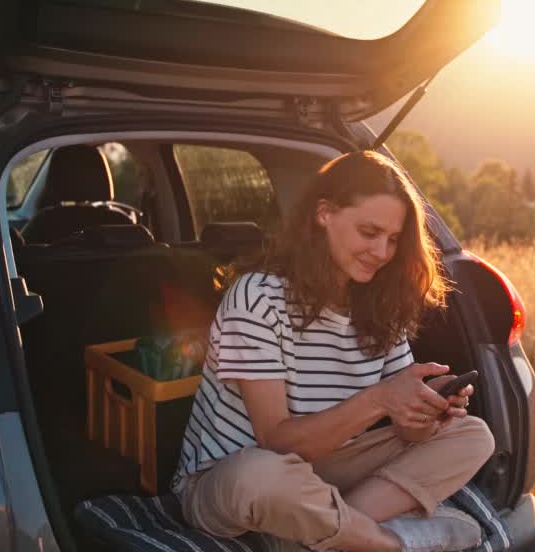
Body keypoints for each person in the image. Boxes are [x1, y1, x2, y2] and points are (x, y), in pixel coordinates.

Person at [171, 151, 495, 552]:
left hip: (325, 471)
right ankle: (391, 543)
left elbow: (409, 431)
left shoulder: (381, 306)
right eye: (369, 232)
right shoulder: (257, 297)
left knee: (472, 435)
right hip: (233, 478)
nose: (382, 252)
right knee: (260, 475)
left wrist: (426, 406)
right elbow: (277, 442)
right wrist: (381, 398)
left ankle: (314, 532)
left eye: (393, 240)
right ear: (324, 214)